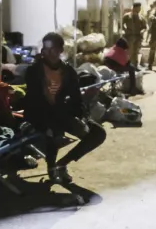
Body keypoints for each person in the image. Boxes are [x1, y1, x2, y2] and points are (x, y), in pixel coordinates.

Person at [24, 32, 107, 184]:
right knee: (54, 132)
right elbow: (33, 101)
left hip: (61, 114)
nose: (49, 53)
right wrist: (46, 124)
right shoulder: (34, 70)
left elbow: (76, 99)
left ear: (61, 50)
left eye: (53, 49)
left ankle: (62, 164)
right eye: (46, 49)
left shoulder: (68, 72)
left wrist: (82, 118)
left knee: (98, 133)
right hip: (40, 115)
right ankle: (51, 168)